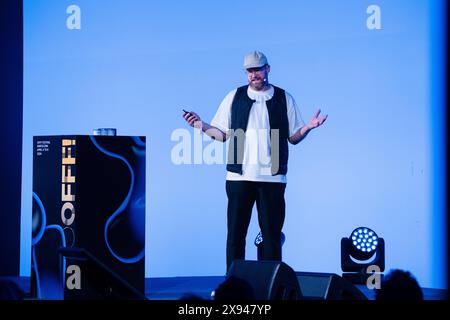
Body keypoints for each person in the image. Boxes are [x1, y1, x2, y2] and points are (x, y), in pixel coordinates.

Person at [182, 51, 327, 272]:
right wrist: (201, 125)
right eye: (249, 71)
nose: (254, 74)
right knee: (235, 236)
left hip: (273, 178)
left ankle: (271, 288)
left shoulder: (284, 98)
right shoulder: (234, 97)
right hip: (239, 177)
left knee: (272, 237)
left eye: (258, 69)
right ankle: (233, 286)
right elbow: (221, 135)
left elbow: (293, 138)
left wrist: (307, 128)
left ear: (268, 69)